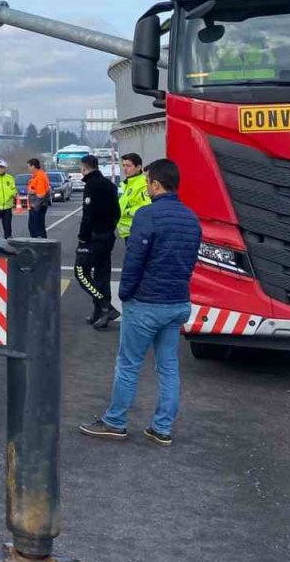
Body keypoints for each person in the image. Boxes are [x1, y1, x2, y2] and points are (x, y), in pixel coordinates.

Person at [79, 159, 201, 446]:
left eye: (148, 183)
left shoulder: (147, 215)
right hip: (177, 302)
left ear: (156, 184)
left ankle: (115, 422)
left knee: (129, 364)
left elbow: (134, 259)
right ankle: (162, 428)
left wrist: (124, 294)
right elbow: (191, 260)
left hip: (146, 302)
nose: (146, 188)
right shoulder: (191, 218)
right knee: (168, 367)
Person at [74, 154, 119, 328]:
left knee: (81, 273)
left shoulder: (91, 186)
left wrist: (83, 236)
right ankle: (99, 313)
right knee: (102, 275)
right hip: (108, 236)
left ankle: (106, 307)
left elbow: (88, 214)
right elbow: (117, 212)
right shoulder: (110, 185)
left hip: (93, 238)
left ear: (84, 168)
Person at [117, 153, 150, 243]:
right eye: (124, 165)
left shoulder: (143, 184)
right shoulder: (125, 184)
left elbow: (146, 207)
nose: (125, 169)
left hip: (137, 231)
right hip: (128, 232)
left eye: (128, 166)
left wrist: (126, 211)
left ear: (138, 167)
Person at [26, 158, 51, 238]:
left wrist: (32, 191)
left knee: (36, 228)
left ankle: (39, 243)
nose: (28, 168)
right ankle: (39, 241)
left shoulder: (40, 177)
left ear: (33, 166)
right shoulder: (36, 176)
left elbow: (41, 194)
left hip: (38, 206)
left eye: (29, 166)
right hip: (36, 206)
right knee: (35, 227)